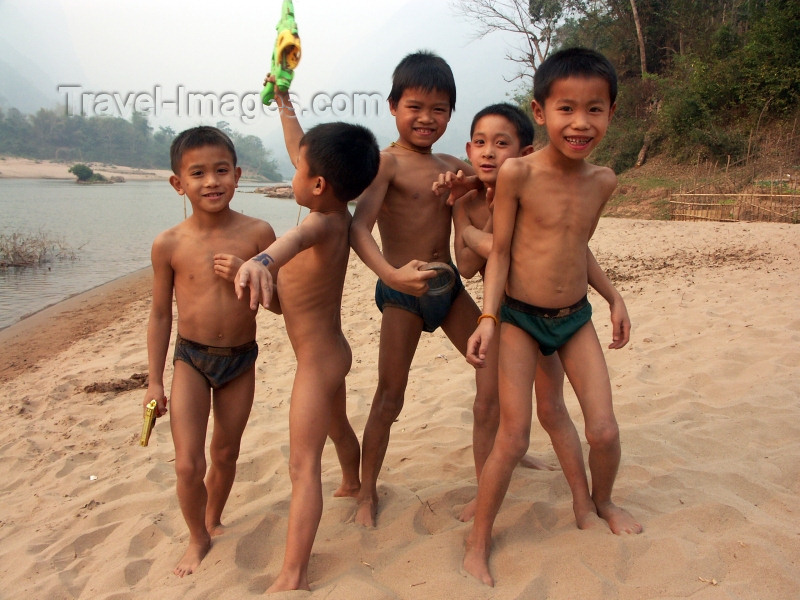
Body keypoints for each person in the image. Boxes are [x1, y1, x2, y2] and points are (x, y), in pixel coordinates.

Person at [462, 48, 643, 587]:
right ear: (540, 112)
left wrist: (613, 296)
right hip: (518, 316)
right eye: (566, 108)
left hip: (574, 317)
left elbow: (575, 245)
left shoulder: (603, 181)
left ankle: (598, 502)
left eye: (595, 109)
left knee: (605, 429)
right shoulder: (517, 172)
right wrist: (489, 316)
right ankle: (478, 542)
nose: (581, 122)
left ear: (612, 112)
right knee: (513, 437)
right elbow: (498, 252)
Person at [436, 103, 631, 524]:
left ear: (523, 153)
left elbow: (573, 245)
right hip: (506, 314)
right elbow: (468, 265)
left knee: (552, 407)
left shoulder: (529, 186)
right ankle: (481, 491)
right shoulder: (466, 200)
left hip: (555, 311)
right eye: (481, 144)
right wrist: (481, 217)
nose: (489, 153)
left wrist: (612, 296)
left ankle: (585, 500)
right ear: (469, 149)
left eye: (501, 144)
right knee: (490, 408)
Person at [234, 83, 380, 592]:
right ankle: (356, 483)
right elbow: (302, 146)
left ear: (317, 185)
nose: (293, 172)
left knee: (302, 465)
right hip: (330, 351)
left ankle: (293, 573)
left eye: (298, 171)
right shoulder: (333, 207)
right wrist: (284, 104)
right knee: (338, 429)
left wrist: (258, 260)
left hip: (318, 361)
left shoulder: (320, 224)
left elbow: (288, 242)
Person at [349, 50, 496, 528]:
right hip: (403, 293)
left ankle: (498, 459)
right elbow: (359, 228)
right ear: (393, 106)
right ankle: (367, 491)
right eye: (415, 106)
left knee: (493, 370)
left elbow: (502, 181)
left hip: (448, 288)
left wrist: (471, 182)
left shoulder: (453, 164)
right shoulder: (385, 163)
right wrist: (389, 276)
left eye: (439, 109)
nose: (427, 118)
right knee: (391, 394)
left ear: (451, 113)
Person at [144, 126, 278, 577]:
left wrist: (248, 273)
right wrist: (154, 378)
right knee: (187, 462)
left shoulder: (258, 233)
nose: (211, 181)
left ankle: (214, 517)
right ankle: (197, 537)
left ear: (238, 175)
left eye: (221, 170)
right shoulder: (169, 243)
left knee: (225, 452)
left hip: (241, 359)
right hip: (191, 360)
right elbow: (161, 314)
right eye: (197, 173)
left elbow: (279, 304)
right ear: (177, 183)